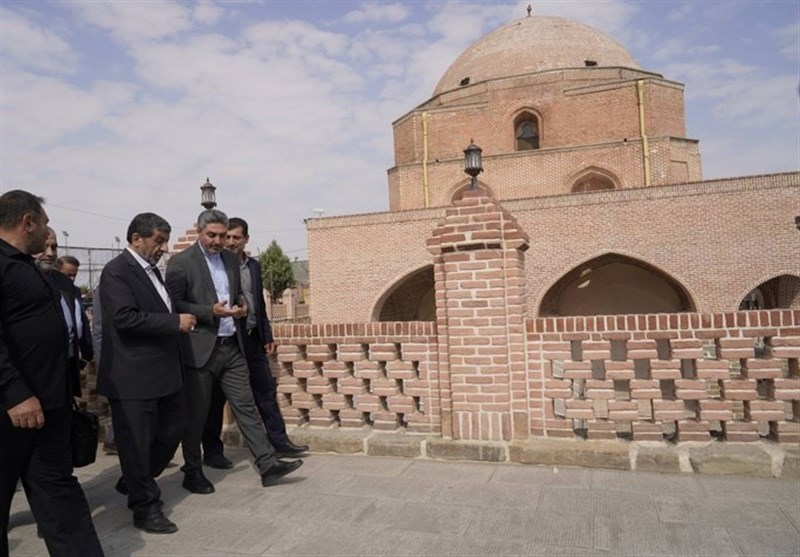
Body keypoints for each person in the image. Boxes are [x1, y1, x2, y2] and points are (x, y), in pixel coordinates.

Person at [165, 209, 302, 492]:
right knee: (198, 415)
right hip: (200, 351)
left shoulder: (230, 259)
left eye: (222, 235)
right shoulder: (181, 263)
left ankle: (267, 464)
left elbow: (240, 296)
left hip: (232, 347)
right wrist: (208, 311)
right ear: (200, 232)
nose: (217, 241)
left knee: (247, 406)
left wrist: (243, 308)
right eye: (211, 235)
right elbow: (174, 304)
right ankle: (192, 470)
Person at [0, 190, 103, 556]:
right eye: (43, 225)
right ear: (26, 221)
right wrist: (14, 393)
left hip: (49, 408)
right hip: (12, 409)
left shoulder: (28, 266)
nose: (47, 234)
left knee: (60, 494)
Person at [97, 212, 196, 534]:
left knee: (173, 429)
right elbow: (125, 317)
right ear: (136, 239)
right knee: (136, 445)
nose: (163, 248)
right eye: (158, 241)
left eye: (165, 241)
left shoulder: (155, 272)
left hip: (165, 373)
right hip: (132, 376)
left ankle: (133, 479)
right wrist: (173, 323)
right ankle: (145, 508)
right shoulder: (117, 272)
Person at [201, 217, 307, 470]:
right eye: (227, 237)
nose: (230, 242)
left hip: (252, 339)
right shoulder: (218, 267)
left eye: (236, 238)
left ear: (246, 239)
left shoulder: (254, 267)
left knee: (265, 392)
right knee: (215, 400)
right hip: (227, 340)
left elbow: (259, 303)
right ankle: (213, 452)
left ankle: (279, 442)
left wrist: (266, 334)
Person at [35, 229, 94, 397]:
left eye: (54, 247)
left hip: (68, 362)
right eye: (44, 247)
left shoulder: (69, 290)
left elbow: (80, 324)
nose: (49, 253)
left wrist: (85, 355)